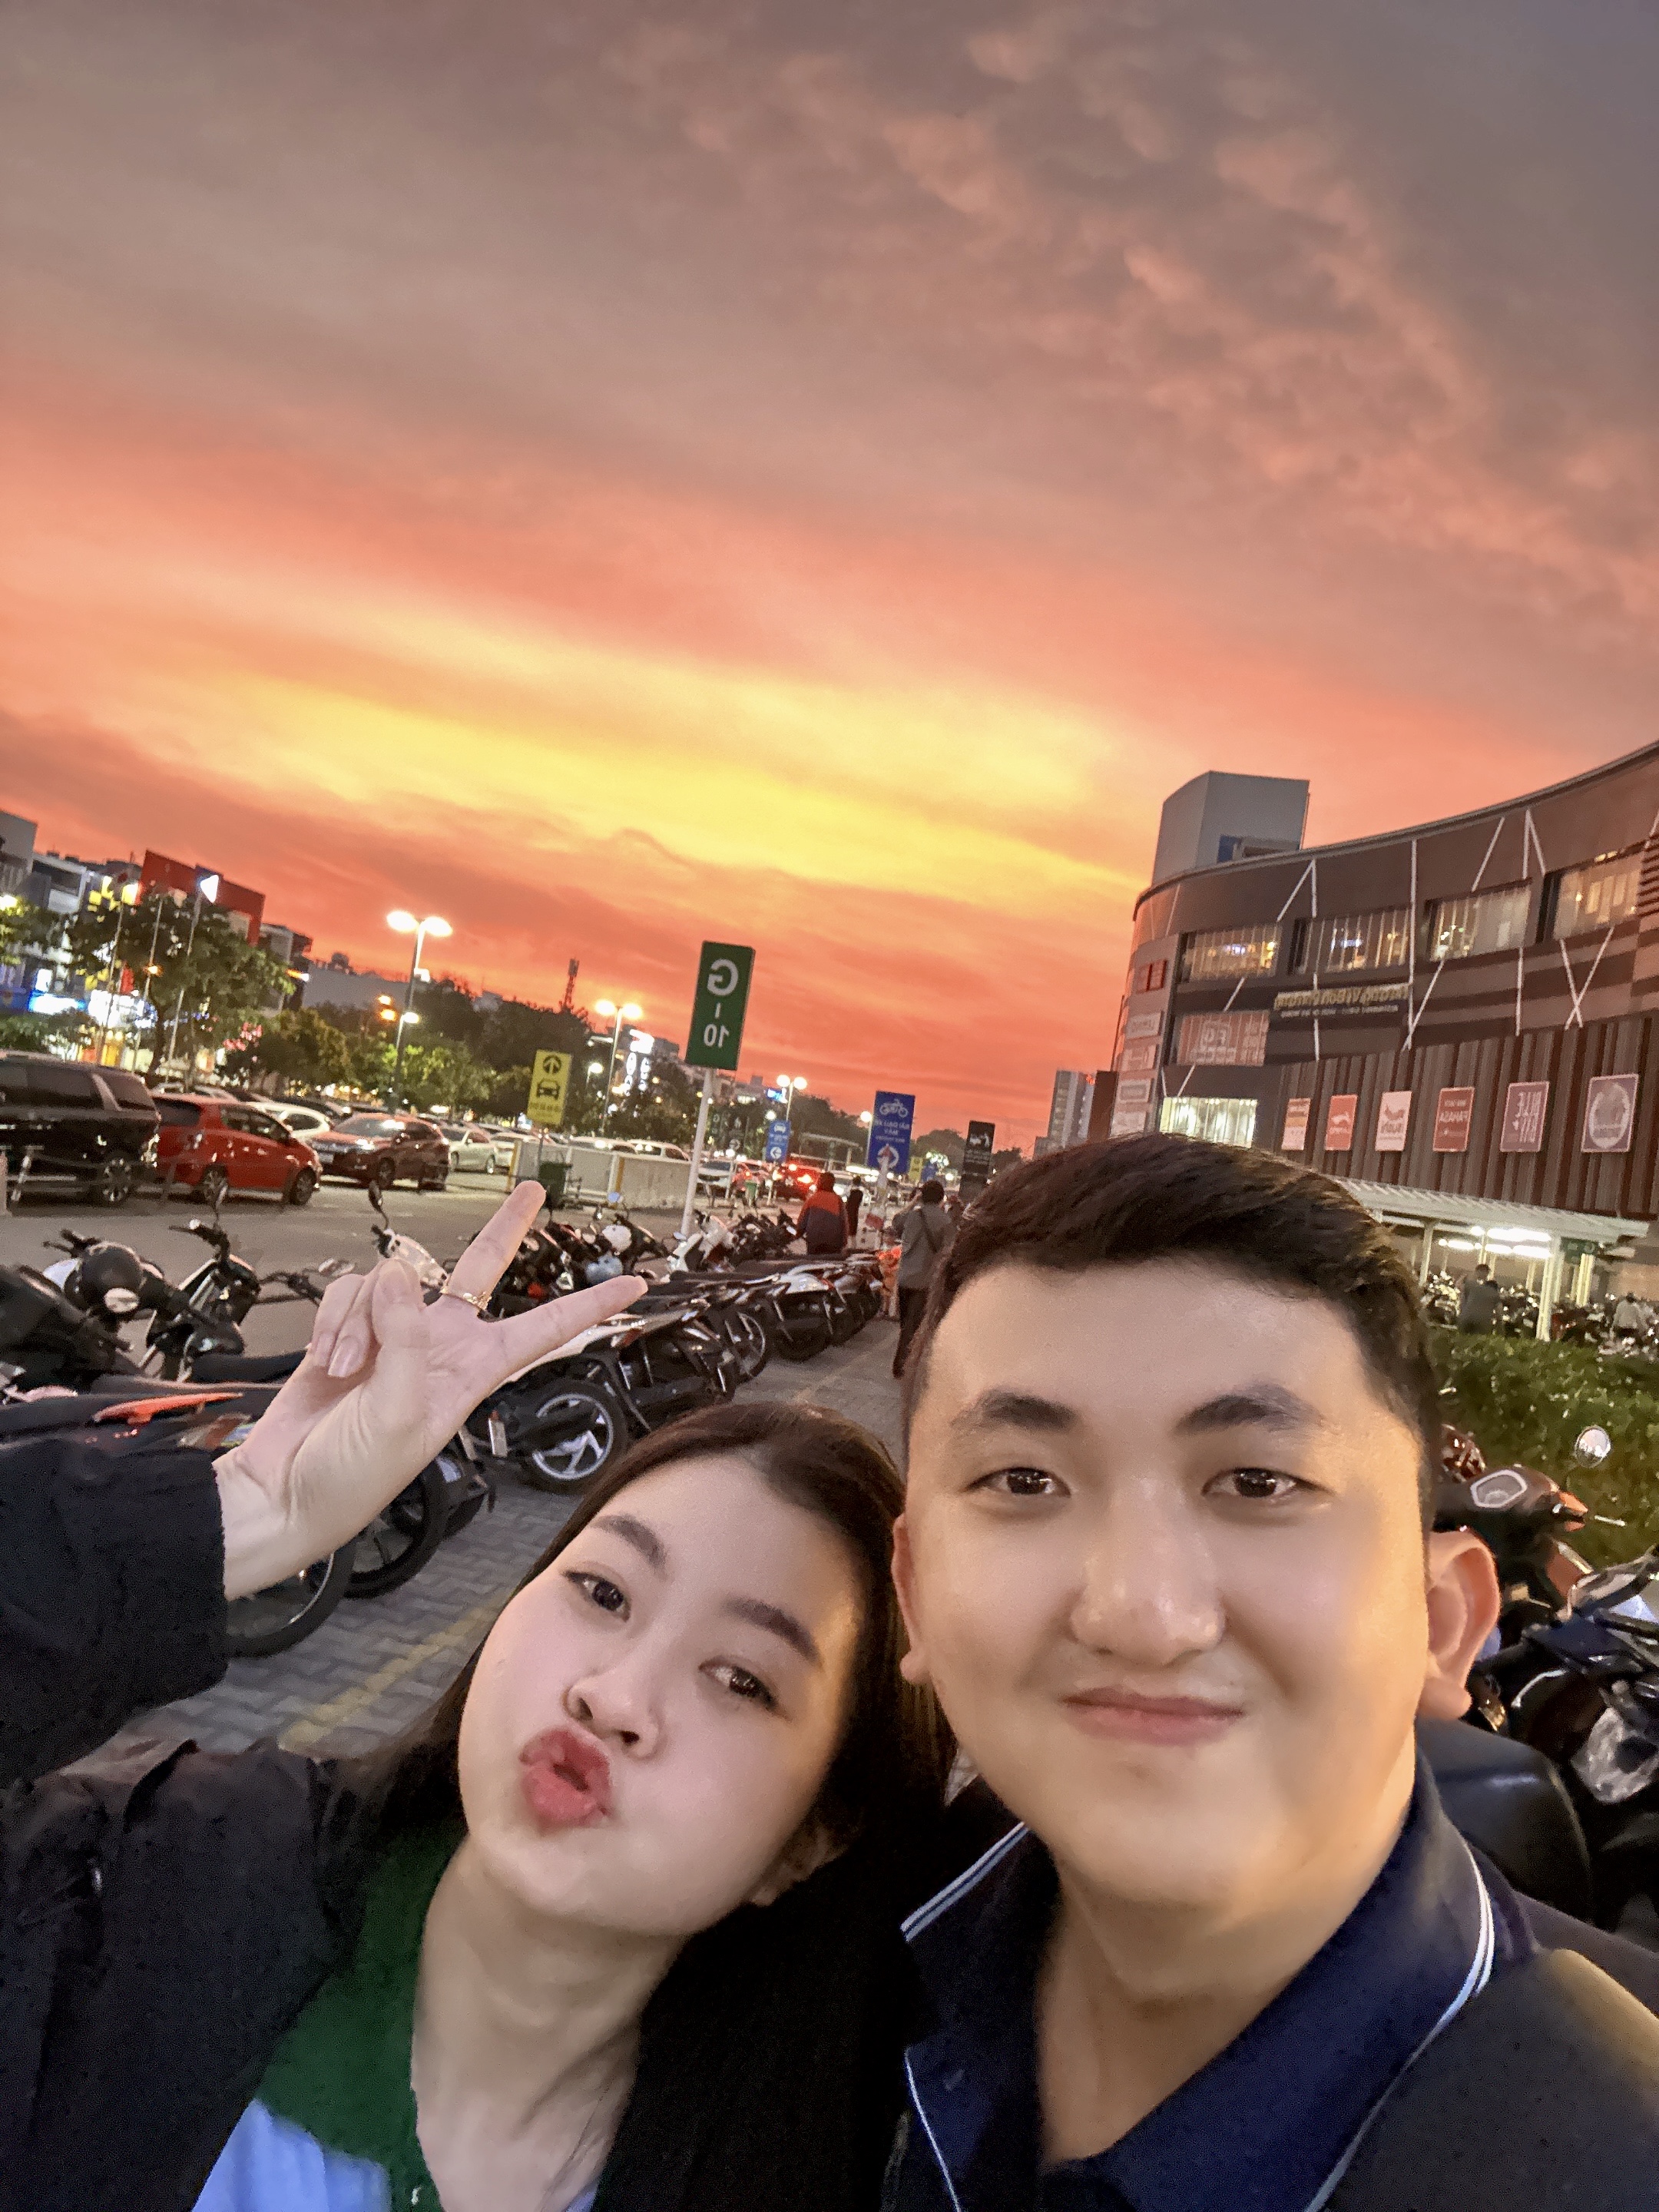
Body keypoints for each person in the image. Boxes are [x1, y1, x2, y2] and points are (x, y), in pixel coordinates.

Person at [1, 1189, 955, 2212]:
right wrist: (239, 1518)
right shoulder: (132, 1903)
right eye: (603, 1593)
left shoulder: (789, 2166)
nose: (614, 1696)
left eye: (741, 1680)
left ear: (810, 1839)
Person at [885, 1136, 1659, 2207]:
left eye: (1257, 1482)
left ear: (1442, 1622)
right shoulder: (827, 1979)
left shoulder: (1612, 2154)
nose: (1141, 1615)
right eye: (1023, 1479)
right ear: (914, 1592)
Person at [892, 1178, 955, 1380]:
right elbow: (949, 1252)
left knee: (906, 1323)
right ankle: (903, 1365)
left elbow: (895, 1221)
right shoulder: (946, 1222)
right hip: (926, 1281)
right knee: (914, 1325)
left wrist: (913, 1202)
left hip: (905, 1279)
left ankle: (902, 1363)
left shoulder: (911, 1216)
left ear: (922, 1196)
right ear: (941, 1198)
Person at [798, 1169, 849, 1255]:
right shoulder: (838, 1200)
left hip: (814, 1241)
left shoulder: (812, 1199)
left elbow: (802, 1222)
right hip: (834, 1242)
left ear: (819, 1183)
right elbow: (844, 1223)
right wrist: (844, 1241)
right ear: (833, 1184)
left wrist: (798, 1234)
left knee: (813, 1261)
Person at [1458, 1262, 1503, 1333]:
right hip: (1483, 1324)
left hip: (1465, 1320)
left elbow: (1459, 1285)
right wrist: (1500, 1327)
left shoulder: (1473, 1287)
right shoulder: (1495, 1294)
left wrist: (1469, 1276)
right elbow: (1499, 1313)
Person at [844, 1181, 865, 1245]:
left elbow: (846, 1195)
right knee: (853, 1231)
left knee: (847, 1228)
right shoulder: (861, 1193)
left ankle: (847, 1245)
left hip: (848, 1211)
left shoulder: (850, 1191)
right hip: (855, 1212)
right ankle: (853, 1245)